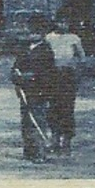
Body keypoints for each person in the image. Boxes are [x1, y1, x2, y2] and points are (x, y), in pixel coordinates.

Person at [11, 17, 58, 162]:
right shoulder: (24, 49)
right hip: (25, 91)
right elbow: (16, 66)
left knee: (37, 120)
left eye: (36, 32)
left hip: (39, 91)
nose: (32, 35)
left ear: (42, 34)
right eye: (30, 32)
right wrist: (16, 76)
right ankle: (29, 150)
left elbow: (46, 73)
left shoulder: (46, 50)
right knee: (26, 121)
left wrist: (29, 76)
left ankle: (40, 152)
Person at [45, 15, 86, 153]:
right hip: (53, 75)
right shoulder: (49, 38)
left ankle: (67, 140)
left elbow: (81, 57)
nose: (63, 25)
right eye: (61, 22)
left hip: (68, 75)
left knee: (67, 107)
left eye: (66, 22)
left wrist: (77, 74)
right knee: (53, 107)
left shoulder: (74, 38)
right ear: (55, 23)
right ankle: (55, 138)